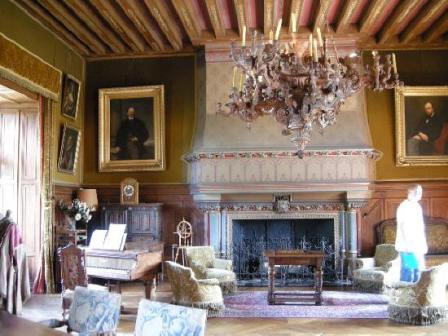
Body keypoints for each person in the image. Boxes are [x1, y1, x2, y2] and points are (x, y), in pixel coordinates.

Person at [395, 184, 427, 282]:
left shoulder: (416, 206)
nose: (421, 194)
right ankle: (405, 295)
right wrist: (409, 246)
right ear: (413, 192)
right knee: (408, 273)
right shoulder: (405, 206)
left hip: (416, 246)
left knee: (418, 271)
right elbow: (405, 227)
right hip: (408, 247)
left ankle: (416, 296)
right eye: (419, 192)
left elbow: (420, 228)